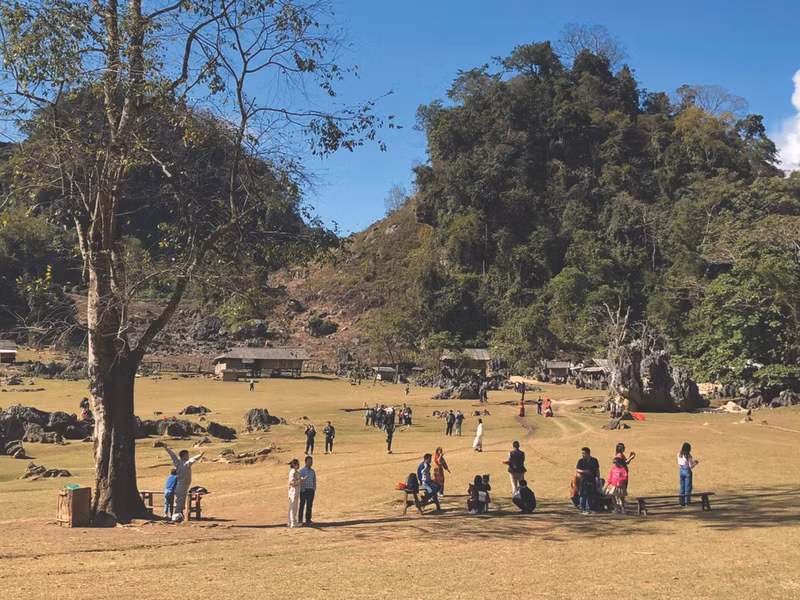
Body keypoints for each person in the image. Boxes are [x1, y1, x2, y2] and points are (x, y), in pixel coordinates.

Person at [164, 445, 204, 521]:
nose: (188, 456)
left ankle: (179, 516)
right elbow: (193, 459)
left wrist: (166, 448)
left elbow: (173, 455)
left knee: (180, 502)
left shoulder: (178, 462)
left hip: (181, 486)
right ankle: (176, 517)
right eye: (187, 454)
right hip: (181, 486)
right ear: (184, 455)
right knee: (180, 503)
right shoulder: (186, 463)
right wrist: (200, 455)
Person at [575, 447, 600, 515]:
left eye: (584, 453)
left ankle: (589, 508)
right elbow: (577, 469)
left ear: (588, 453)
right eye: (582, 453)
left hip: (592, 479)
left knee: (590, 494)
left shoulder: (594, 460)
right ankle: (582, 509)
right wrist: (584, 471)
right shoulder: (581, 461)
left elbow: (597, 470)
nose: (582, 455)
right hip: (584, 480)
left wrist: (598, 479)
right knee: (583, 494)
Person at [298, 456, 316, 525]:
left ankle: (308, 519)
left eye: (311, 462)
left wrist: (314, 488)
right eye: (309, 462)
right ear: (305, 462)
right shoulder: (302, 471)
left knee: (309, 505)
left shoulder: (313, 471)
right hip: (304, 490)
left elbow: (314, 480)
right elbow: (300, 481)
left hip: (311, 490)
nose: (310, 463)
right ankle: (300, 520)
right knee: (302, 505)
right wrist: (302, 489)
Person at [287, 458, 306, 527]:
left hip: (295, 491)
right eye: (298, 464)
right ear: (294, 465)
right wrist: (300, 481)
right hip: (293, 491)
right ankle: (293, 522)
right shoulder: (293, 472)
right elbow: (292, 482)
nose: (299, 465)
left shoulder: (295, 472)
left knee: (292, 507)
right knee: (294, 508)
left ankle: (290, 522)